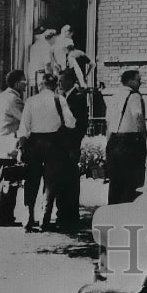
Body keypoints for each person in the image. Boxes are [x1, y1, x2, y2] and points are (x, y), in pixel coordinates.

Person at [17, 73, 76, 232]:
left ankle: (28, 218)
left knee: (31, 181)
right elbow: (71, 123)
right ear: (56, 85)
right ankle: (45, 218)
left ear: (41, 85)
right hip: (54, 144)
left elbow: (24, 127)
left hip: (34, 143)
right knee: (51, 183)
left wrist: (21, 147)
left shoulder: (31, 101)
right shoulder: (60, 99)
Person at [0, 69, 26, 227]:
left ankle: (3, 216)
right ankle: (4, 218)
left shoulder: (1, 97)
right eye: (24, 82)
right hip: (8, 146)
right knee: (8, 183)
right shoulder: (13, 100)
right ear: (17, 83)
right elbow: (25, 118)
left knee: (3, 182)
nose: (26, 85)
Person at [55, 67, 91, 229]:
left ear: (70, 81)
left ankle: (70, 214)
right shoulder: (63, 97)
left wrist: (72, 143)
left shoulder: (78, 97)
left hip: (70, 145)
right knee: (62, 180)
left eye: (62, 80)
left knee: (70, 180)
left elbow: (82, 124)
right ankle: (63, 213)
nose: (59, 83)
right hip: (62, 146)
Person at [105, 68, 146, 204]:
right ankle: (126, 213)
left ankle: (112, 213)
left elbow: (108, 121)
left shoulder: (114, 96)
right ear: (130, 81)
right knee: (130, 182)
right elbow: (138, 116)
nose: (140, 82)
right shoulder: (134, 96)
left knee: (115, 182)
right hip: (130, 142)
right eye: (138, 80)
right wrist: (143, 136)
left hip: (114, 141)